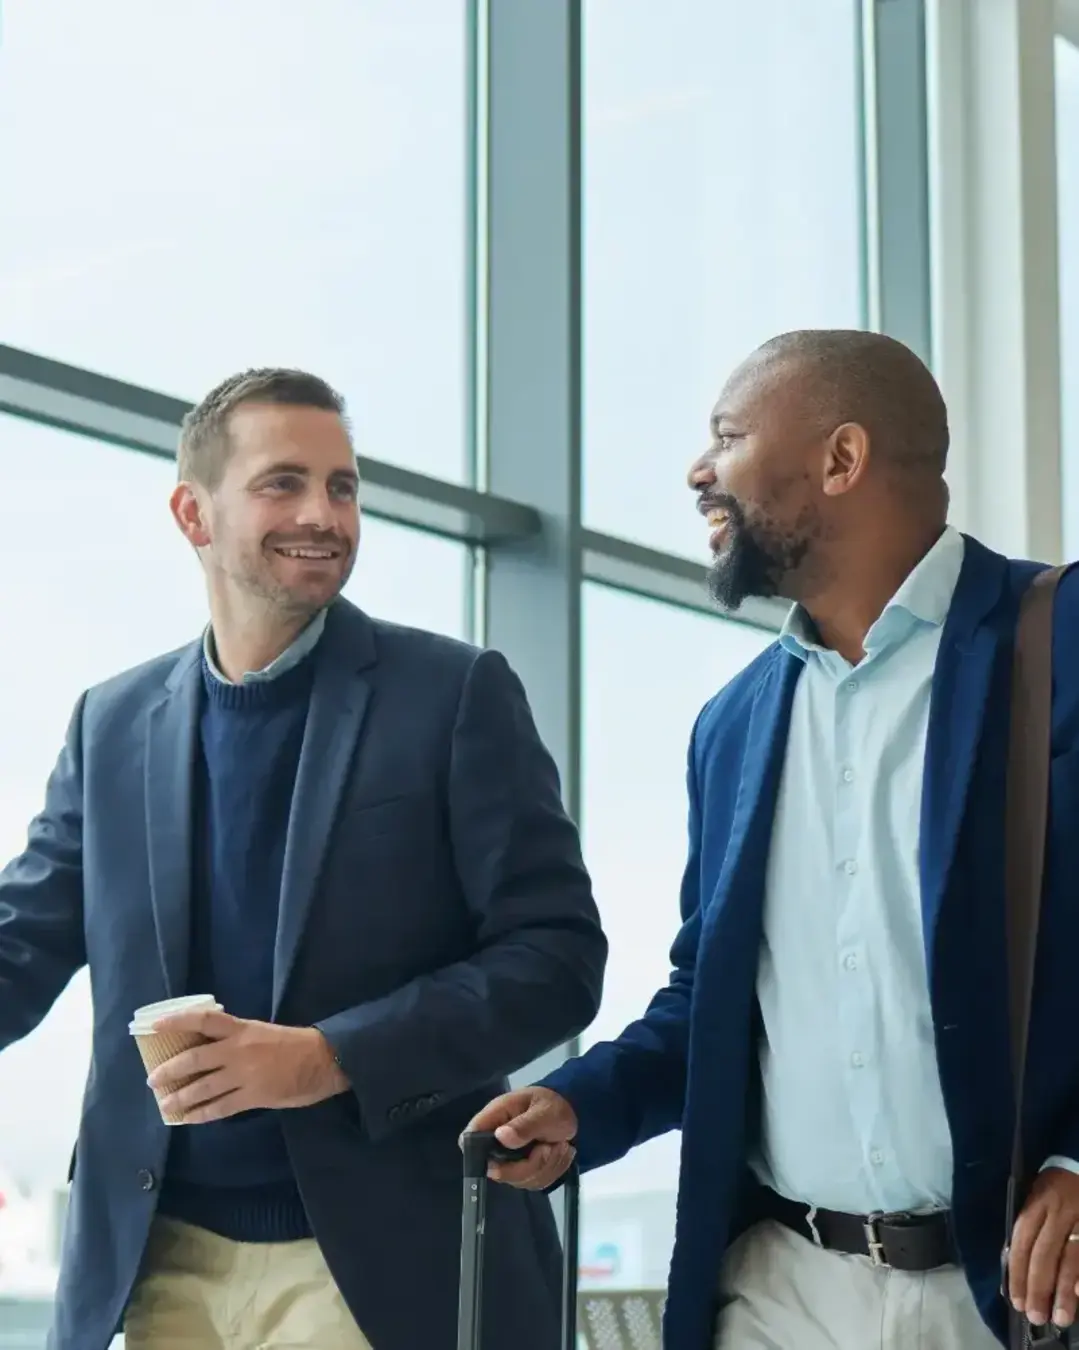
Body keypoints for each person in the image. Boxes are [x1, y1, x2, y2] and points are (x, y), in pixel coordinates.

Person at [467, 330, 1079, 1350]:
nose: (697, 471)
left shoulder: (1059, 644)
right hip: (781, 1291)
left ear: (839, 461)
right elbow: (708, 1000)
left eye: (727, 436)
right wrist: (579, 1109)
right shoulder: (733, 724)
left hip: (1011, 1301)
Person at [0, 368, 607, 1350]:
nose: (323, 514)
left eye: (342, 486)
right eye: (283, 483)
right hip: (158, 1264)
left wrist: (329, 1059)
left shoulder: (454, 695)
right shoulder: (110, 724)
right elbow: (18, 947)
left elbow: (554, 959)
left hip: (379, 1264)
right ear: (192, 514)